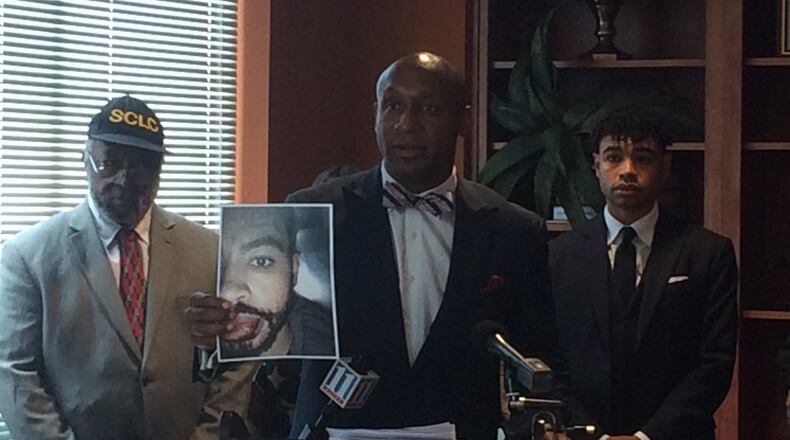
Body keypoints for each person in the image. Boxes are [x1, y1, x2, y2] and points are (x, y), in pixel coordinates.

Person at [188, 51, 559, 439]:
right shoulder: (313, 213)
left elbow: (540, 356)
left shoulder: (514, 229)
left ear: (463, 119)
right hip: (335, 431)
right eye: (393, 106)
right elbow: (267, 339)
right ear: (376, 114)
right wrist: (215, 329)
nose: (407, 125)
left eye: (430, 108)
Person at [0, 95, 257, 440]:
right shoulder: (26, 256)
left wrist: (209, 435)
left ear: (159, 172)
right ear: (86, 160)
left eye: (141, 167)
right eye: (110, 162)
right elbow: (17, 374)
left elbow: (237, 359)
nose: (123, 179)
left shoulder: (211, 250)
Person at [549, 109, 738, 440]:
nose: (627, 171)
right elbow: (546, 358)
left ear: (665, 166)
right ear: (596, 166)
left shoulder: (708, 253)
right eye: (613, 158)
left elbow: (714, 363)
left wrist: (646, 437)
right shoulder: (558, 256)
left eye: (643, 158)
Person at [218, 205, 335, 359]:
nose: (228, 293)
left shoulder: (328, 345)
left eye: (261, 262)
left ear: (294, 269)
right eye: (219, 263)